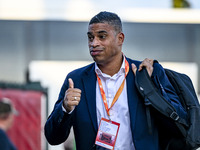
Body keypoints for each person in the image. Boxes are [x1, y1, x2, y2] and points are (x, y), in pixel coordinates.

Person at [44, 11, 188, 150]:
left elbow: (180, 122)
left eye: (101, 36)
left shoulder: (146, 72)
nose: (94, 43)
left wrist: (151, 91)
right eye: (90, 37)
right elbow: (53, 137)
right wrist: (65, 109)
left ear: (120, 38)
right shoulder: (76, 80)